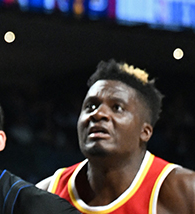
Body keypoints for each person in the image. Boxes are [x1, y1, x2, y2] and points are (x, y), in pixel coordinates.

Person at [38, 60, 195, 213]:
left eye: (117, 107)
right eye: (90, 106)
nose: (98, 114)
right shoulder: (46, 194)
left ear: (145, 132)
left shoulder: (185, 191)